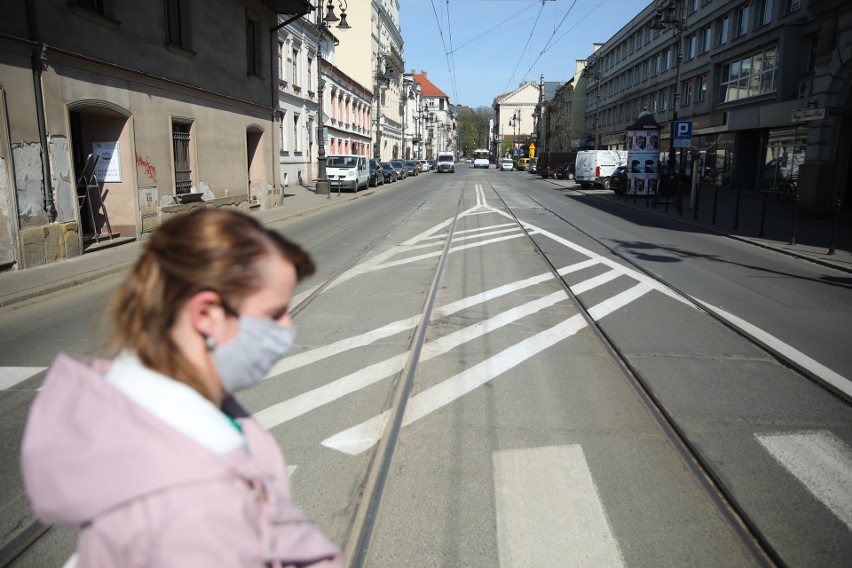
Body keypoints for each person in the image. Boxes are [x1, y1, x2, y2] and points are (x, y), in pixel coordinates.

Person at [21, 209, 342, 568]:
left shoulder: (181, 410)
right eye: (273, 314)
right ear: (205, 314)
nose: (288, 327)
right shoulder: (192, 510)